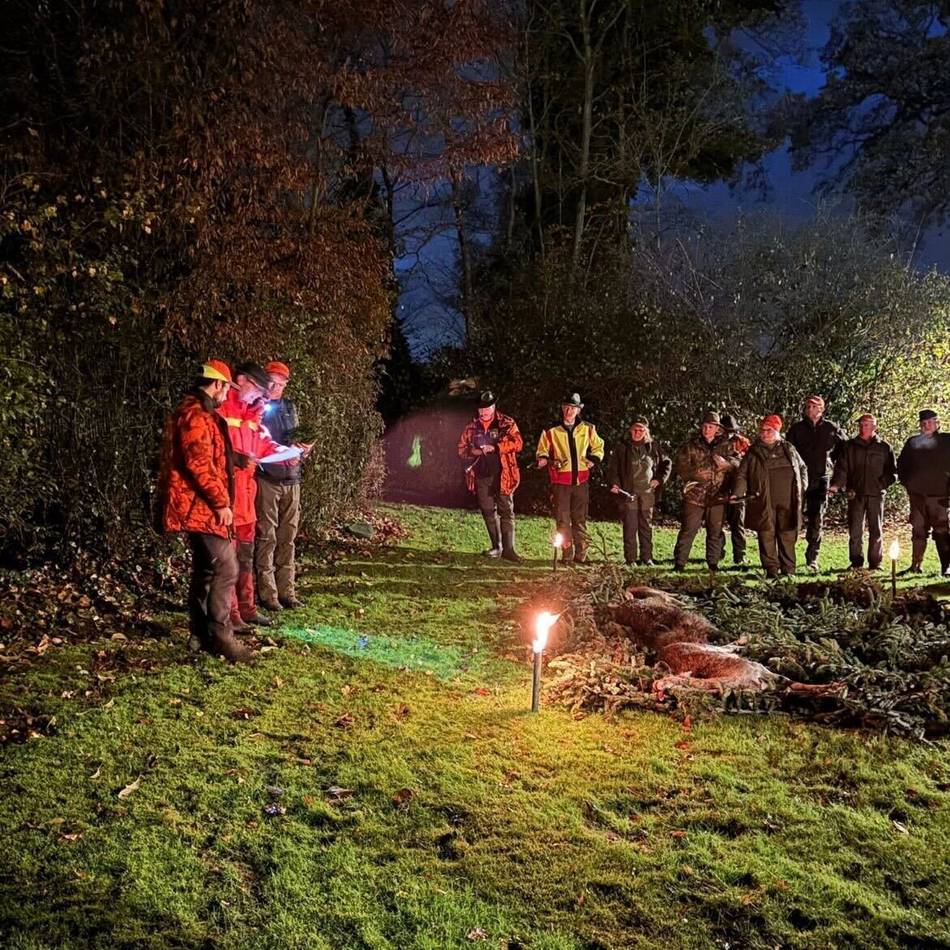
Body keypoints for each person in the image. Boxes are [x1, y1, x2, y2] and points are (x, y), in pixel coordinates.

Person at [155, 360, 250, 663]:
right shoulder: (197, 415)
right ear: (218, 384)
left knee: (206, 569)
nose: (227, 395)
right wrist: (222, 503)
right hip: (200, 506)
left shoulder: (202, 414)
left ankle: (200, 634)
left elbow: (211, 454)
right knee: (227, 567)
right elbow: (199, 464)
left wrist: (236, 460)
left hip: (200, 504)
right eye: (227, 387)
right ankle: (221, 638)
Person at [219, 362, 303, 630]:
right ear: (240, 381)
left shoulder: (254, 413)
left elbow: (264, 444)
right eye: (261, 387)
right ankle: (231, 614)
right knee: (229, 560)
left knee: (245, 554)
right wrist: (236, 460)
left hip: (246, 497)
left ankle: (247, 608)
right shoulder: (225, 408)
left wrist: (291, 452)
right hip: (230, 496)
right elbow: (211, 450)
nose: (263, 394)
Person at [255, 361, 310, 610]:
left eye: (281, 383)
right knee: (267, 537)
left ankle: (287, 591)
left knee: (288, 538)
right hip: (268, 479)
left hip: (293, 479)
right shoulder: (256, 406)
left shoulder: (291, 407)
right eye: (272, 382)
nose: (276, 388)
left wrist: (305, 449)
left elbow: (298, 439)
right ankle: (268, 594)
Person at [733, 414, 808, 578]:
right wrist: (738, 493)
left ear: (777, 431)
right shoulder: (753, 452)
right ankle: (771, 571)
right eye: (763, 430)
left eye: (769, 430)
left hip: (788, 502)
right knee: (766, 535)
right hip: (763, 501)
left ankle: (789, 570)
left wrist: (802, 487)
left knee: (787, 535)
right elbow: (742, 474)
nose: (764, 433)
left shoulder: (789, 449)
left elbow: (802, 468)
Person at [536, 393, 605, 564]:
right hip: (560, 482)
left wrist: (593, 459)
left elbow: (599, 447)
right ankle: (566, 556)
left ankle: (581, 556)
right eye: (566, 407)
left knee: (580, 519)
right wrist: (547, 460)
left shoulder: (588, 428)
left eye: (573, 408)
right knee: (562, 519)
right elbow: (542, 451)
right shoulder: (551, 430)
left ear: (578, 409)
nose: (569, 410)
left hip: (581, 481)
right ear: (562, 408)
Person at [457, 390, 524, 561]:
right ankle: (497, 547)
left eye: (486, 410)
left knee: (506, 511)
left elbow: (518, 443)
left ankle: (509, 549)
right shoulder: (472, 427)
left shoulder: (506, 423)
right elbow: (461, 449)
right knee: (487, 511)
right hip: (481, 476)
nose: (483, 413)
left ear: (493, 407)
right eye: (481, 410)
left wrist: (497, 447)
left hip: (503, 474)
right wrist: (475, 451)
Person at [828, 413, 897, 570]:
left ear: (874, 427)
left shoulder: (884, 447)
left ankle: (875, 563)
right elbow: (842, 469)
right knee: (855, 530)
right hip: (855, 493)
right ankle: (856, 562)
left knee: (876, 529)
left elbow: (893, 472)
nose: (862, 427)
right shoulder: (849, 446)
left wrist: (882, 484)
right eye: (860, 424)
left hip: (876, 494)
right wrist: (836, 486)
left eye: (866, 424)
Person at [672, 411, 738, 572]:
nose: (707, 429)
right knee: (688, 529)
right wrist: (694, 473)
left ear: (717, 428)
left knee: (715, 531)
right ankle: (680, 563)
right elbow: (680, 466)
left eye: (711, 426)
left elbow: (739, 464)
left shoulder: (727, 446)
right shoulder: (691, 445)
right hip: (695, 494)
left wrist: (727, 465)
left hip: (718, 495)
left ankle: (713, 563)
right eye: (705, 426)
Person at [786, 395, 845, 570]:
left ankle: (812, 558)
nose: (810, 409)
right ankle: (788, 558)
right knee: (793, 517)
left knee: (817, 518)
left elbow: (844, 451)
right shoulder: (797, 429)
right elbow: (788, 451)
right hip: (799, 478)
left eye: (814, 406)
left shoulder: (831, 428)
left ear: (821, 409)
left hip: (821, 479)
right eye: (808, 406)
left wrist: (832, 469)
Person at [607, 415, 671, 565]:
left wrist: (659, 479)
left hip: (647, 493)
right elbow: (613, 469)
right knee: (630, 526)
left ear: (646, 431)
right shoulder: (622, 447)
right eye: (635, 429)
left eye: (641, 430)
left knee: (646, 526)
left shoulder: (653, 447)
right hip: (629, 493)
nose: (638, 433)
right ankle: (630, 559)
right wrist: (615, 484)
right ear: (630, 430)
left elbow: (667, 463)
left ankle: (646, 557)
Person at [896, 409, 950, 575]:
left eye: (930, 422)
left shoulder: (947, 441)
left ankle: (947, 567)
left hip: (940, 496)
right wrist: (909, 485)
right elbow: (901, 466)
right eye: (924, 423)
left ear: (937, 423)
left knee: (942, 532)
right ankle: (915, 565)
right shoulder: (913, 443)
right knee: (918, 532)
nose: (927, 425)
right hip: (918, 497)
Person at [720, 413, 751, 567]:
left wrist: (732, 463)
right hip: (718, 487)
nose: (729, 433)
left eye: (732, 430)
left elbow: (749, 465)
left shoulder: (743, 442)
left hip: (737, 488)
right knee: (716, 523)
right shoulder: (714, 442)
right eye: (726, 430)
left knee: (738, 523)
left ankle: (740, 555)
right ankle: (717, 552)